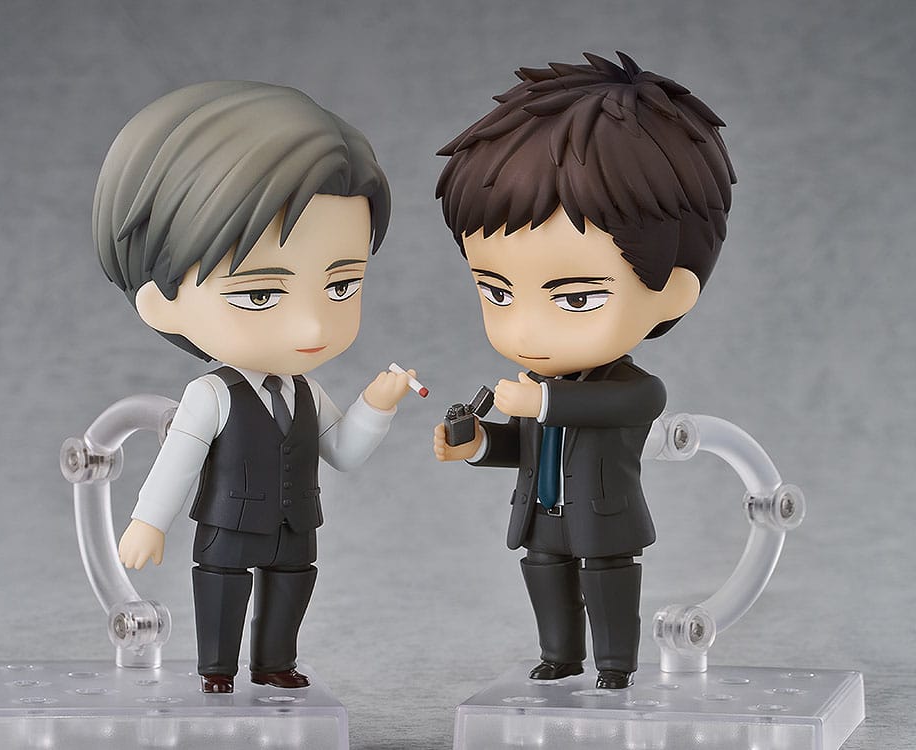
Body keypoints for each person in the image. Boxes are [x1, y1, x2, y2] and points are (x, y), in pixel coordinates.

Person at [93, 81, 414, 693]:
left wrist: (377, 404)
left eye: (341, 286)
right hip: (229, 525)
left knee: (290, 591)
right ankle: (217, 669)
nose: (312, 326)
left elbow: (343, 452)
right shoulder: (211, 396)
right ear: (161, 301)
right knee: (223, 593)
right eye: (261, 293)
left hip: (296, 525)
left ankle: (274, 664)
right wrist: (148, 522)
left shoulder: (305, 391)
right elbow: (177, 462)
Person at [433, 52, 735, 689]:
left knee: (607, 586)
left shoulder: (633, 390)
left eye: (575, 298)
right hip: (541, 516)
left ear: (674, 291)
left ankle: (616, 666)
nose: (525, 331)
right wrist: (479, 442)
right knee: (545, 578)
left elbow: (604, 412)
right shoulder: (537, 387)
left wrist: (539, 405)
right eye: (497, 292)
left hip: (604, 518)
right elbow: (531, 446)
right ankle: (559, 657)